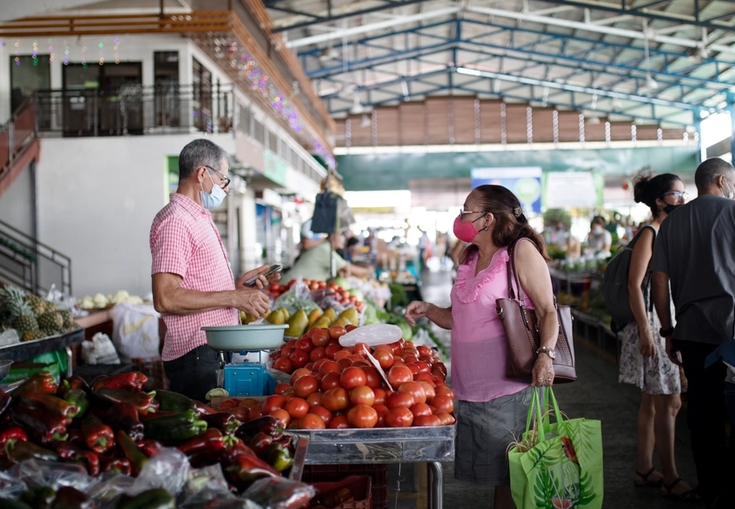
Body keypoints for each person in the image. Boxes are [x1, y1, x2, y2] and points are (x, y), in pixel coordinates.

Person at [404, 185, 558, 509]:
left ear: (488, 219)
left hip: (510, 388)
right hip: (469, 390)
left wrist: (545, 355)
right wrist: (430, 310)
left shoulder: (519, 252)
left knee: (514, 477)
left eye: (466, 211)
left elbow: (547, 311)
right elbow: (461, 320)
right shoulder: (469, 258)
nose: (460, 219)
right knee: (500, 476)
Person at [150, 139, 275, 403]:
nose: (225, 189)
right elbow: (165, 297)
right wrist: (232, 299)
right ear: (202, 173)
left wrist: (238, 289)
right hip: (195, 356)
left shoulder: (197, 217)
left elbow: (198, 284)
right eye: (224, 179)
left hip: (208, 352)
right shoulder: (177, 221)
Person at [651, 157, 735, 509]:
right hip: (732, 332)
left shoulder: (671, 224)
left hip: (692, 333)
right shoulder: (732, 212)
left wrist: (667, 330)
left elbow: (658, 281)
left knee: (703, 411)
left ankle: (710, 487)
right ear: (721, 180)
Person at [618, 173, 696, 499]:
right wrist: (650, 332)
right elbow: (634, 285)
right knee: (670, 401)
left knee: (652, 402)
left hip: (657, 324)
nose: (682, 198)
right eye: (676, 194)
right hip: (651, 326)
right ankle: (671, 477)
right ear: (661, 201)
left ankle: (644, 469)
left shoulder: (666, 231)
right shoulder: (650, 233)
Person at [282, 231, 374, 282]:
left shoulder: (326, 248)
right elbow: (349, 269)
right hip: (291, 287)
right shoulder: (325, 250)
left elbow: (342, 270)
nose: (342, 243)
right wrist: (368, 271)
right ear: (335, 240)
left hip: (298, 286)